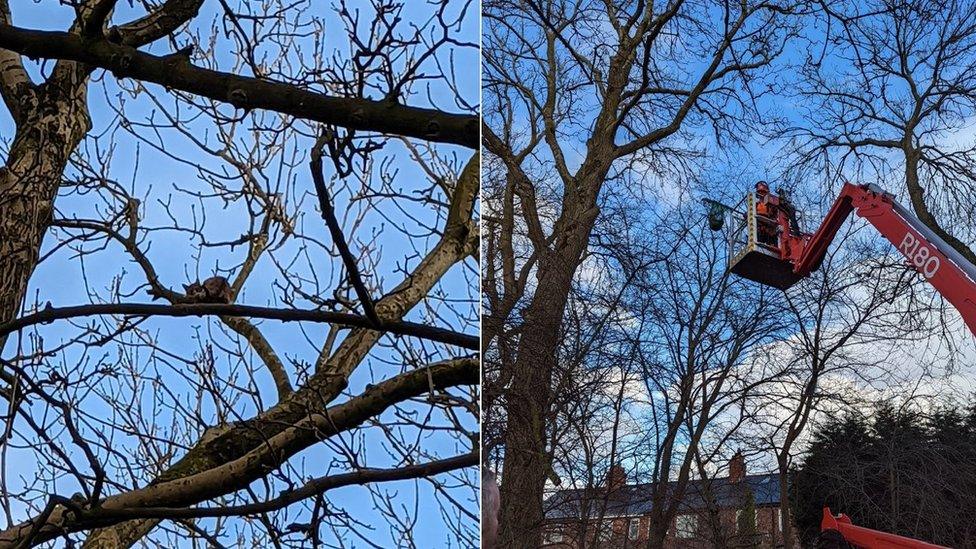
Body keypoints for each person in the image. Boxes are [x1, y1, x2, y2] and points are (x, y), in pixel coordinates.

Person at [754, 181, 778, 246]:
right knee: (759, 243)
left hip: (770, 230)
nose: (761, 194)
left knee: (772, 246)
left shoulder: (771, 205)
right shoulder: (755, 205)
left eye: (763, 192)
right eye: (760, 192)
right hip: (760, 229)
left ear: (766, 193)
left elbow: (775, 215)